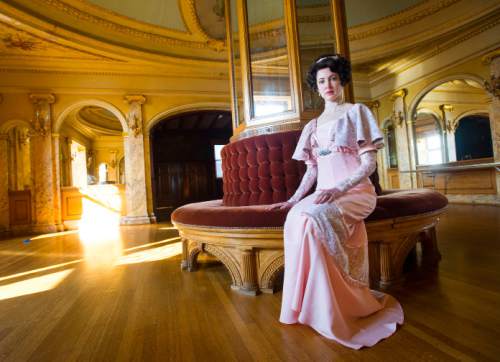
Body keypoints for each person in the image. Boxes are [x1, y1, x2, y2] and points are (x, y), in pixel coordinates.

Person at [268, 54, 404, 349]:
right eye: (321, 81)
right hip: (324, 193)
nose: (327, 84)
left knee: (313, 219)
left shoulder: (357, 112)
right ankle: (311, 306)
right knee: (297, 218)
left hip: (355, 193)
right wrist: (293, 200)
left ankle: (343, 305)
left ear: (341, 80)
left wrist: (339, 189)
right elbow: (312, 171)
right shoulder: (312, 126)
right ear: (315, 87)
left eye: (332, 78)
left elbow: (368, 165)